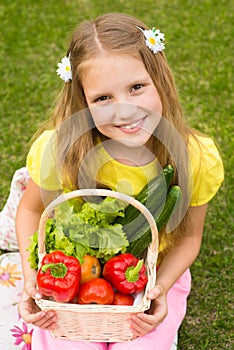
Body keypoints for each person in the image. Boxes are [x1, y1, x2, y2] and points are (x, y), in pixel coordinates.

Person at [16, 12, 224, 350]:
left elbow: (189, 237)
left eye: (137, 88)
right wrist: (31, 279)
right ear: (83, 102)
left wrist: (161, 288)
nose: (124, 111)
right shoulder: (58, 149)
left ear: (160, 81)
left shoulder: (195, 156)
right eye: (103, 99)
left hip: (152, 272)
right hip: (78, 273)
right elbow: (30, 211)